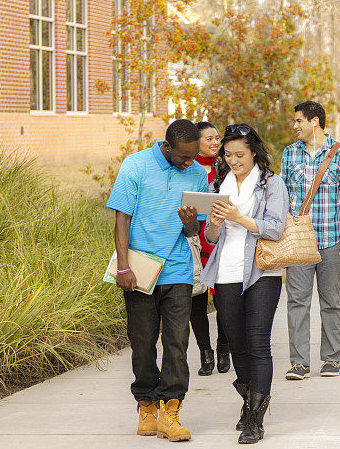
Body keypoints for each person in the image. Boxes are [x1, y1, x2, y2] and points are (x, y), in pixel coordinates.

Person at [106, 119, 207, 442]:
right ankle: (147, 405)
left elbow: (194, 232)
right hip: (140, 270)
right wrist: (123, 267)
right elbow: (122, 217)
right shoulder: (135, 165)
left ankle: (170, 411)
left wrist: (191, 224)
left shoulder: (197, 174)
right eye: (183, 157)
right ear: (167, 147)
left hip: (177, 270)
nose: (189, 162)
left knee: (177, 343)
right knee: (142, 343)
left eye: (193, 156)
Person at [200, 124, 289, 444]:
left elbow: (275, 230)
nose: (233, 160)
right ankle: (248, 400)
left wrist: (238, 217)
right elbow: (211, 238)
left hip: (262, 272)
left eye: (239, 154)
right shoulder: (217, 185)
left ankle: (255, 419)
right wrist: (214, 223)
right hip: (225, 274)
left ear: (254, 151)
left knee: (258, 343)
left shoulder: (272, 184)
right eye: (227, 154)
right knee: (237, 345)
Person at [281, 101, 340, 379]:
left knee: (330, 302)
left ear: (314, 122)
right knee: (297, 303)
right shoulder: (290, 154)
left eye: (298, 121)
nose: (295, 126)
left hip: (331, 240)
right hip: (299, 242)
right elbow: (283, 195)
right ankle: (299, 362)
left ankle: (330, 359)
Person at [191, 121, 231, 376]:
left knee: (223, 299)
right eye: (209, 138)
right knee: (197, 299)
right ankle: (205, 353)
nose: (215, 142)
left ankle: (223, 348)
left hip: (220, 238)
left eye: (217, 138)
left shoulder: (226, 168)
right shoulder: (188, 169)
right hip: (195, 240)